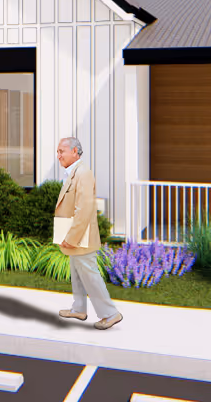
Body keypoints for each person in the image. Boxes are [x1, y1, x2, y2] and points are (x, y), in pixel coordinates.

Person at [54, 136, 120, 330]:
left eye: (61, 151)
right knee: (76, 272)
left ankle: (110, 314)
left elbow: (84, 209)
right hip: (76, 236)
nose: (58, 156)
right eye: (58, 152)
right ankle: (79, 308)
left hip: (80, 238)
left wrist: (71, 237)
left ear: (75, 152)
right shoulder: (75, 172)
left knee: (90, 275)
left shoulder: (83, 174)